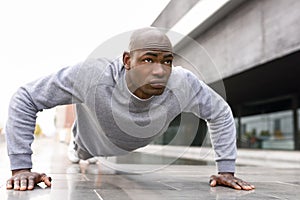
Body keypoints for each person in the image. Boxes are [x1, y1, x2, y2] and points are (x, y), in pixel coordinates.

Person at [5, 27, 255, 191]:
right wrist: (21, 168)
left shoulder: (181, 82)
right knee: (79, 155)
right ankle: (77, 147)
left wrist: (226, 169)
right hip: (89, 143)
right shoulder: (93, 75)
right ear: (127, 61)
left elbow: (220, 112)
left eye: (166, 61)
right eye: (148, 60)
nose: (159, 70)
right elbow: (25, 97)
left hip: (134, 140)